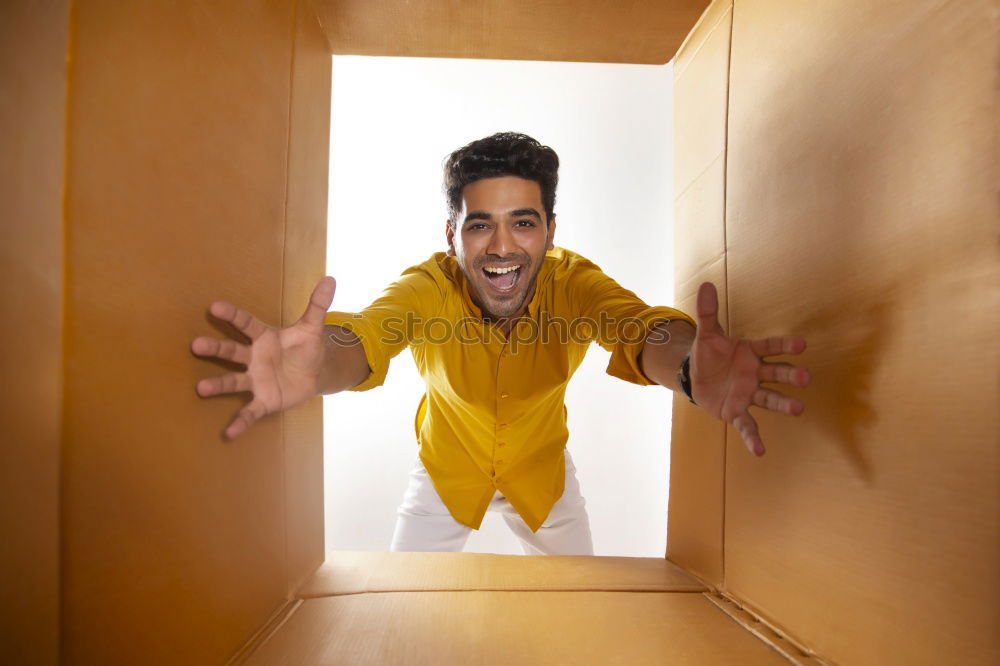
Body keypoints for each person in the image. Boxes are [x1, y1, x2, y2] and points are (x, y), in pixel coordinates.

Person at [190, 132, 811, 556]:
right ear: (453, 234)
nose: (502, 247)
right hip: (444, 473)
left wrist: (686, 368)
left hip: (545, 478)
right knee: (405, 610)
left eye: (524, 222)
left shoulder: (575, 283)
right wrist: (316, 365)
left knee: (582, 610)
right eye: (480, 224)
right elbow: (371, 333)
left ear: (550, 230)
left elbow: (638, 326)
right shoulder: (427, 287)